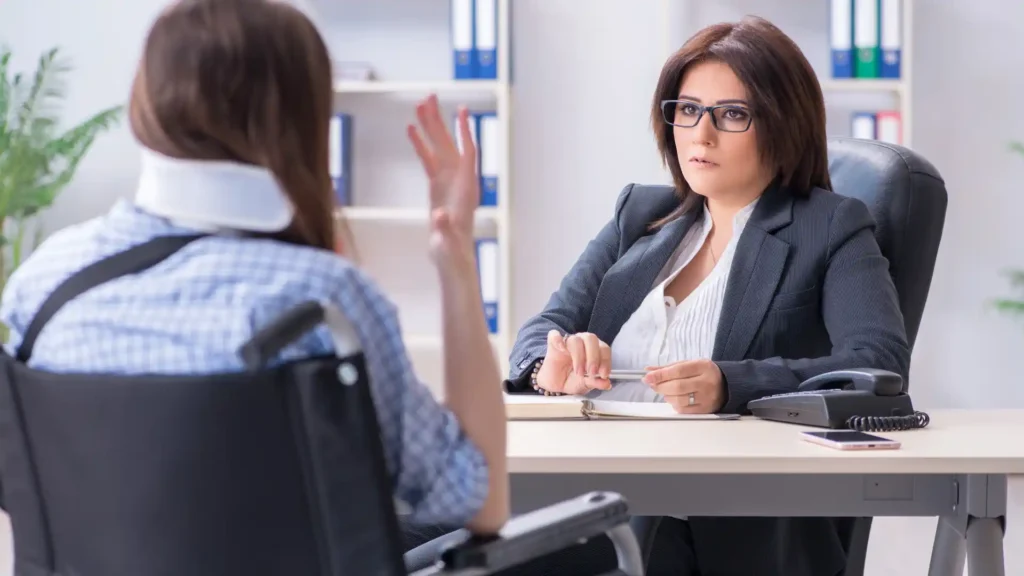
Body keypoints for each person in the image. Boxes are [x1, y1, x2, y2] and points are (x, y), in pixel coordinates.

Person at [0, 0, 510, 552]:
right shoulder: (323, 304)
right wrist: (455, 254)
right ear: (301, 119)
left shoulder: (45, 286)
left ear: (144, 103)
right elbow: (477, 503)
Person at [500, 15, 911, 576]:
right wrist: (551, 367)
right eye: (688, 109)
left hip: (703, 526)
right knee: (384, 526)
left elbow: (876, 365)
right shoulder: (640, 216)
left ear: (784, 125)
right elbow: (543, 329)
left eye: (733, 115)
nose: (701, 133)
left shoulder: (831, 226)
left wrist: (732, 383)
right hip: (584, 497)